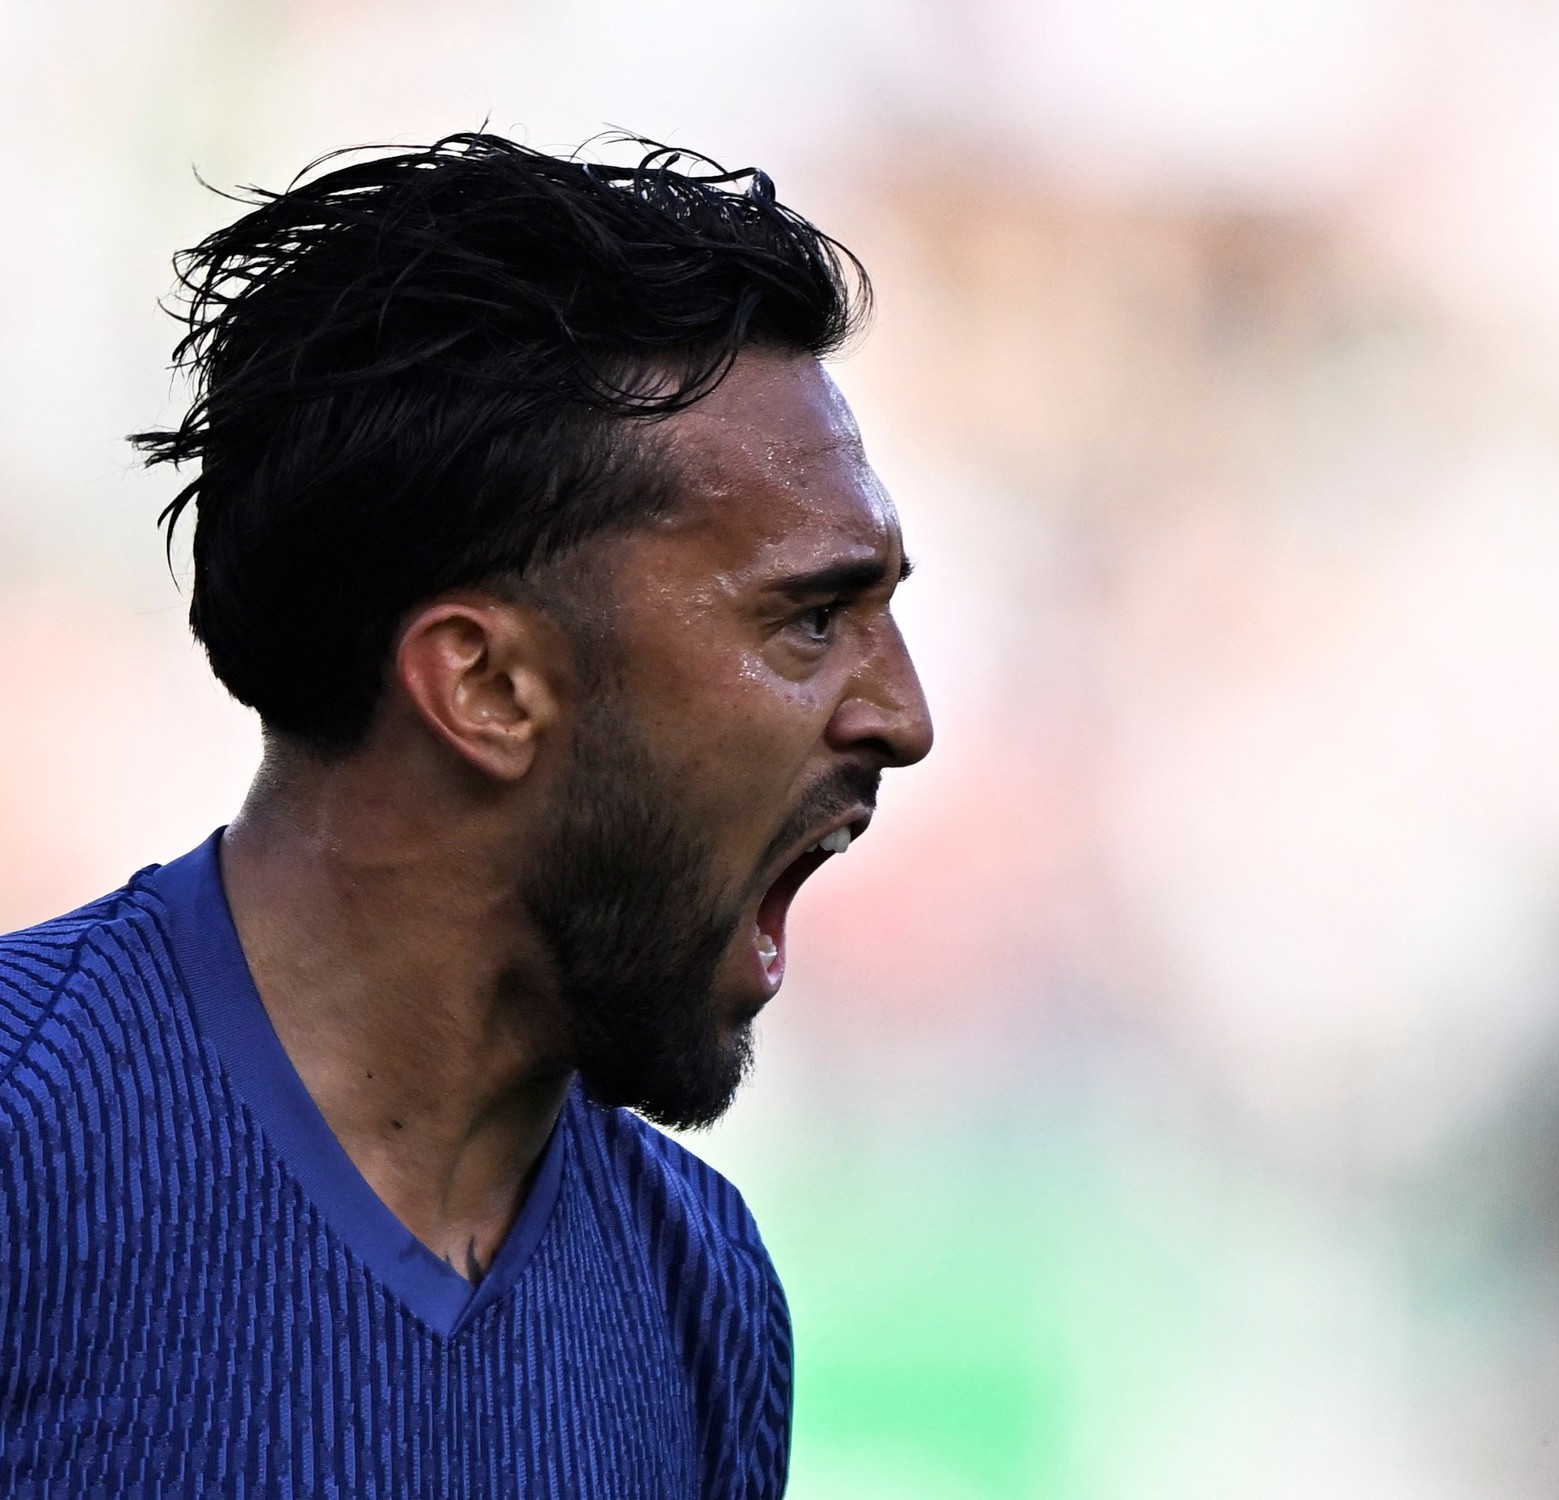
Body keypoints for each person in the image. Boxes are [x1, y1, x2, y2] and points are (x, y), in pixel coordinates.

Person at [0, 133, 932, 1497]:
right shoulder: (26, 1150)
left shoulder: (704, 1294)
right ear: (486, 686)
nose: (904, 715)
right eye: (810, 618)